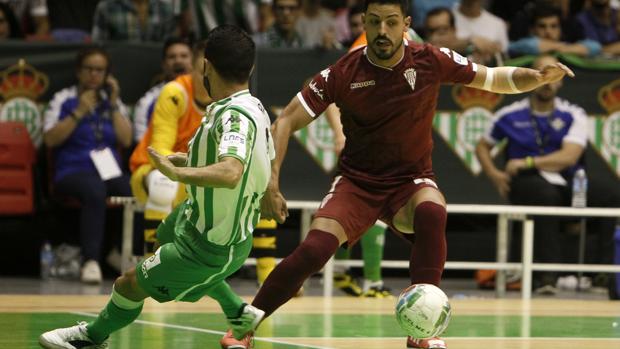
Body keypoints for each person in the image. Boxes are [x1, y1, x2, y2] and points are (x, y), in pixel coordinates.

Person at [221, 0, 574, 348]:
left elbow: (493, 78)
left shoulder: (430, 59)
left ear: (406, 23)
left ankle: (424, 330)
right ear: (363, 23)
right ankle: (244, 326)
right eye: (374, 22)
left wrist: (538, 77)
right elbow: (284, 121)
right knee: (314, 249)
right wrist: (272, 183)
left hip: (410, 182)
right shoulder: (343, 72)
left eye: (391, 22)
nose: (382, 31)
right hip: (357, 183)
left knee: (432, 212)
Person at [39, 25, 275, 348]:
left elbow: (232, 171)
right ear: (250, 68)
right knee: (163, 237)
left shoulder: (234, 115)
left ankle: (92, 337)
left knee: (128, 284)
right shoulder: (252, 107)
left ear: (205, 65)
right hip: (194, 218)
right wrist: (188, 161)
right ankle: (237, 311)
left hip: (210, 245)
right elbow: (264, 157)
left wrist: (177, 174)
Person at [476, 54, 620, 295]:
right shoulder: (509, 114)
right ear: (532, 76)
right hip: (526, 184)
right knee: (544, 195)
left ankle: (605, 274)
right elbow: (482, 146)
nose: (549, 81)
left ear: (561, 81)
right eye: (543, 72)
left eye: (555, 76)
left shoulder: (574, 114)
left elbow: (569, 156)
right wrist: (494, 175)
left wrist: (527, 162)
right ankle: (545, 278)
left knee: (611, 197)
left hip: (566, 179)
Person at [43, 47, 133, 284]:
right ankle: (91, 261)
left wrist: (113, 105)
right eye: (89, 69)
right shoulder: (63, 99)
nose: (94, 75)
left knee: (134, 187)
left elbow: (126, 139)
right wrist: (79, 111)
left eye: (100, 70)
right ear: (79, 72)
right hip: (71, 172)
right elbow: (50, 139)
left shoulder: (113, 102)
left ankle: (118, 252)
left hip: (108, 171)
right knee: (94, 189)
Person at [129, 41, 210, 258]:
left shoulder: (228, 97)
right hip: (154, 168)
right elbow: (159, 148)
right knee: (162, 183)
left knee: (255, 187)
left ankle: (269, 275)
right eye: (203, 69)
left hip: (202, 173)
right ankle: (152, 263)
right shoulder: (175, 92)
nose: (208, 76)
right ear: (193, 66)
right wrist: (192, 169)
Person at [133, 37, 193, 143]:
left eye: (184, 56)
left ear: (194, 61)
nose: (178, 61)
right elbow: (141, 142)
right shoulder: (147, 101)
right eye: (172, 57)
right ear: (164, 65)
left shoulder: (209, 95)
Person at [508, 3, 602, 58]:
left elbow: (595, 46)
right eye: (542, 26)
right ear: (532, 29)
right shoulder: (523, 44)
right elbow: (515, 46)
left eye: (553, 26)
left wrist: (560, 47)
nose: (548, 31)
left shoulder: (566, 42)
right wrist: (562, 46)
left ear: (560, 29)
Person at [91, 0, 179, 42]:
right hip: (118, 66)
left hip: (156, 68)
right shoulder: (107, 7)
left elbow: (170, 46)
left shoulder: (164, 9)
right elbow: (98, 45)